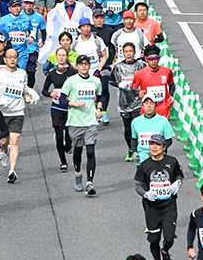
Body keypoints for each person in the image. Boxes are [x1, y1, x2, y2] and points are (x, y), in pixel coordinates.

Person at [134, 133, 184, 260]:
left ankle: (165, 251)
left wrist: (178, 182)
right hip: (152, 207)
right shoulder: (144, 165)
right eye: (151, 145)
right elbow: (137, 185)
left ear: (164, 147)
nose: (154, 148)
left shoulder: (172, 161)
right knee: (153, 239)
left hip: (169, 205)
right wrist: (145, 193)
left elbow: (179, 175)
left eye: (157, 145)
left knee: (169, 237)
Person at [0, 48, 39, 183]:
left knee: (15, 140)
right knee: (3, 142)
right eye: (9, 57)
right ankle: (4, 152)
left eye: (15, 57)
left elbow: (24, 88)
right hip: (2, 113)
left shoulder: (22, 74)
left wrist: (32, 93)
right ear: (4, 59)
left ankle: (12, 171)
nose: (12, 59)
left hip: (17, 112)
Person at [59, 54, 102, 195]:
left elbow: (101, 95)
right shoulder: (71, 81)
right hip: (75, 121)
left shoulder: (95, 81)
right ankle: (78, 174)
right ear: (77, 66)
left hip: (91, 121)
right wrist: (74, 103)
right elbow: (61, 99)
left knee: (90, 151)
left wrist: (99, 108)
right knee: (77, 151)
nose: (84, 66)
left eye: (86, 63)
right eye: (81, 63)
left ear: (89, 65)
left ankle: (90, 183)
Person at [41, 47, 77, 172]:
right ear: (56, 57)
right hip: (56, 108)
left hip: (69, 107)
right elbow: (44, 91)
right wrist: (51, 94)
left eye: (63, 55)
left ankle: (69, 143)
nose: (61, 57)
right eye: (59, 55)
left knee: (68, 136)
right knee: (59, 137)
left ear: (67, 57)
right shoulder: (51, 74)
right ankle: (63, 162)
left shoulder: (72, 72)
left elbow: (78, 87)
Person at [110, 42, 147, 161]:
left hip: (138, 101)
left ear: (134, 52)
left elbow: (147, 78)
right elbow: (111, 80)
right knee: (127, 128)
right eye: (126, 51)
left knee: (137, 126)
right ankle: (130, 149)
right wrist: (119, 84)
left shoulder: (141, 65)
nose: (128, 54)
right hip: (124, 101)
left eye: (131, 51)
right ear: (122, 53)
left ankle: (139, 149)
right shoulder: (117, 66)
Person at [70, 17, 107, 122]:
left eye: (88, 26)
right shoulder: (75, 42)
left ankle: (98, 113)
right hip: (82, 73)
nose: (86, 29)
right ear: (80, 28)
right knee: (86, 95)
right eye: (83, 27)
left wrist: (98, 70)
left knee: (96, 95)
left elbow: (104, 56)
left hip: (95, 71)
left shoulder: (97, 40)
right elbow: (72, 58)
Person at [132, 45, 175, 119]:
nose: (154, 61)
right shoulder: (140, 74)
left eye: (156, 58)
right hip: (147, 111)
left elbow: (172, 85)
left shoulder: (167, 71)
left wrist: (171, 96)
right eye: (151, 59)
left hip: (164, 110)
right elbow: (133, 89)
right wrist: (138, 93)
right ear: (146, 59)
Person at [131, 94, 175, 164]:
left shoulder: (163, 121)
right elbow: (134, 139)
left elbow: (169, 141)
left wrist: (157, 151)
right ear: (142, 105)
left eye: (151, 103)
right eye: (146, 103)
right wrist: (134, 152)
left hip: (159, 160)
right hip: (142, 161)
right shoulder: (135, 122)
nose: (149, 106)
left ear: (155, 105)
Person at [0, 0, 32, 71]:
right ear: (9, 9)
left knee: (21, 73)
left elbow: (32, 31)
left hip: (22, 52)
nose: (16, 8)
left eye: (18, 6)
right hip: (8, 51)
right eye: (14, 6)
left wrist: (32, 37)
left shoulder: (26, 19)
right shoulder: (3, 20)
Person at [20, 0, 47, 87]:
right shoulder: (19, 15)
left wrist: (42, 42)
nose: (29, 6)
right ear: (23, 4)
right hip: (20, 48)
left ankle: (30, 91)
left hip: (33, 48)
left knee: (31, 71)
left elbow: (43, 31)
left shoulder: (39, 17)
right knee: (19, 71)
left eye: (31, 4)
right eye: (27, 3)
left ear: (34, 4)